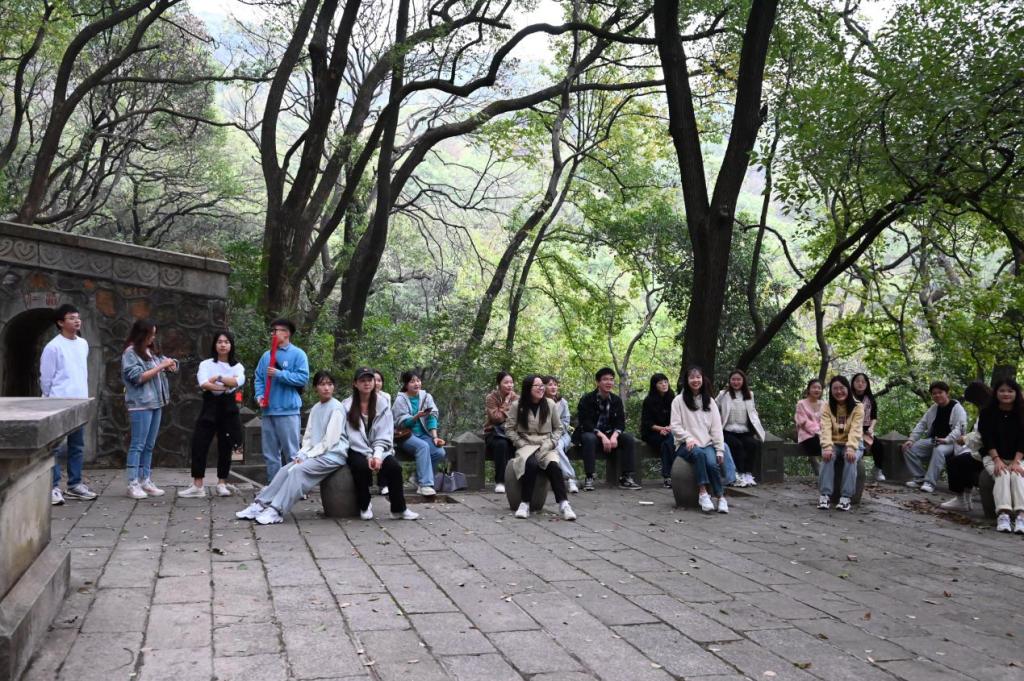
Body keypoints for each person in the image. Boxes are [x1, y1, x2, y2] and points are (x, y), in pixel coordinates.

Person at [236, 369, 419, 525]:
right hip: (333, 451)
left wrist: (377, 454)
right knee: (286, 469)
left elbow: (331, 441)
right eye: (322, 384)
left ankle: (276, 509)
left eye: (329, 384)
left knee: (299, 471)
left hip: (336, 453)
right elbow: (310, 436)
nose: (326, 388)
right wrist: (302, 453)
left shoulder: (346, 407)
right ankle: (261, 503)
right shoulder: (327, 407)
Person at [40, 304, 97, 505]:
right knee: (54, 447)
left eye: (78, 317)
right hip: (58, 402)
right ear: (60, 322)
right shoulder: (53, 347)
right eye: (71, 318)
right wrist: (50, 399)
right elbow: (46, 378)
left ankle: (75, 484)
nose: (76, 321)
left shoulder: (83, 344)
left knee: (77, 445)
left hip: (79, 401)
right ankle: (53, 486)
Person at [180, 331, 246, 498]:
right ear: (215, 345)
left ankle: (222, 483)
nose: (223, 345)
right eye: (219, 342)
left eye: (226, 342)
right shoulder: (206, 364)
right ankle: (198, 485)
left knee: (226, 445)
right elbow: (204, 384)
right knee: (199, 443)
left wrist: (218, 378)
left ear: (231, 345)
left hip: (228, 408)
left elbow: (238, 381)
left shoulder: (237, 366)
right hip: (210, 406)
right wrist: (225, 385)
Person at [505, 375, 576, 521]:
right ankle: (525, 503)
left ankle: (564, 504)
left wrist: (552, 442)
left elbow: (558, 428)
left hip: (546, 444)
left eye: (542, 385)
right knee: (530, 464)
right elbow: (509, 429)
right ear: (528, 388)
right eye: (537, 386)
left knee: (554, 466)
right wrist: (519, 442)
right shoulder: (517, 405)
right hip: (526, 444)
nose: (541, 388)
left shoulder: (550, 404)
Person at [121, 319, 178, 499]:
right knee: (137, 445)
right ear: (141, 334)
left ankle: (145, 479)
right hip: (140, 404)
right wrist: (161, 366)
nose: (153, 337)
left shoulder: (150, 351)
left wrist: (171, 364)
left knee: (149, 445)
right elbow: (137, 377)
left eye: (154, 334)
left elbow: (165, 362)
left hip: (156, 402)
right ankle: (133, 483)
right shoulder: (130, 353)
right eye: (150, 334)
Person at [254, 318, 310, 482]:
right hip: (268, 410)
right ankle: (273, 487)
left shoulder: (298, 354)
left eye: (276, 330)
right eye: (272, 331)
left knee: (292, 453)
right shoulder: (266, 356)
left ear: (286, 333)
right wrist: (259, 395)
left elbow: (303, 378)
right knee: (270, 454)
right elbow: (259, 378)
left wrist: (280, 374)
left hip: (288, 410)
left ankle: (295, 487)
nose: (273, 334)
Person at [671, 366, 729, 513]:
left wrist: (719, 450)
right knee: (698, 454)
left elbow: (716, 428)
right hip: (685, 444)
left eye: (698, 377)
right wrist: (687, 438)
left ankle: (720, 497)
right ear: (686, 380)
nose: (695, 380)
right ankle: (703, 493)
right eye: (692, 377)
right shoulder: (678, 401)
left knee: (712, 464)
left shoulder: (710, 401)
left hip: (706, 443)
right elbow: (675, 426)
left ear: (703, 379)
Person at [574, 367, 641, 491]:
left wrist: (615, 436)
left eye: (611, 379)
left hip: (610, 434)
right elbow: (585, 423)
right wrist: (602, 436)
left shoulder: (616, 400)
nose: (609, 382)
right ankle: (589, 477)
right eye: (605, 379)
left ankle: (626, 477)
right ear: (598, 382)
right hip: (592, 433)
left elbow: (620, 422)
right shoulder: (587, 399)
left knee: (628, 439)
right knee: (589, 438)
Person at [901, 381, 967, 493]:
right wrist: (911, 439)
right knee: (908, 448)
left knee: (939, 450)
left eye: (940, 392)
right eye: (934, 393)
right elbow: (922, 424)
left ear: (947, 393)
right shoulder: (934, 408)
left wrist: (946, 440)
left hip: (951, 442)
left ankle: (930, 482)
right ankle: (919, 478)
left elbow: (959, 429)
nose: (937, 395)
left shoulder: (957, 408)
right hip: (934, 440)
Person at [978, 378, 1024, 534]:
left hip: (1018, 457)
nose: (1006, 394)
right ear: (996, 393)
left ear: (1016, 393)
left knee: (1017, 475)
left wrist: (1016, 462)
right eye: (1002, 390)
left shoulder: (1022, 411)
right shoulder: (987, 412)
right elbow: (987, 439)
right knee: (1002, 474)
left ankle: (1021, 516)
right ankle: (1003, 515)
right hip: (993, 456)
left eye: (1010, 391)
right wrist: (997, 460)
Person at [393, 370, 446, 496]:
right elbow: (400, 423)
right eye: (412, 381)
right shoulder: (400, 400)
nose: (416, 384)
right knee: (423, 446)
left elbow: (432, 417)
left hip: (424, 435)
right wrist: (416, 417)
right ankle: (425, 485)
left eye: (418, 380)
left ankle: (417, 478)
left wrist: (435, 437)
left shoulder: (427, 397)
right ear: (406, 384)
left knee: (439, 452)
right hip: (406, 436)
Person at [940, 382, 991, 511]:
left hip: (990, 453)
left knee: (954, 463)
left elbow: (982, 436)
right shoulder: (991, 407)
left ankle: (960, 499)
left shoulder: (988, 411)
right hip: (988, 450)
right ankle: (966, 499)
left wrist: (965, 439)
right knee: (964, 460)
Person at [817, 375, 865, 511]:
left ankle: (846, 497)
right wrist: (827, 447)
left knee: (850, 458)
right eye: (835, 389)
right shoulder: (826, 406)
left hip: (853, 443)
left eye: (842, 388)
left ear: (848, 388)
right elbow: (825, 428)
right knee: (828, 457)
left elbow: (856, 429)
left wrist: (851, 448)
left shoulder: (858, 406)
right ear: (831, 391)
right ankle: (825, 495)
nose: (839, 391)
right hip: (833, 442)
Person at [715, 369, 765, 488]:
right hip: (728, 430)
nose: (736, 382)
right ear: (729, 381)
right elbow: (713, 407)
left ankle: (748, 474)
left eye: (738, 379)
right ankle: (738, 473)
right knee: (737, 445)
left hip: (744, 430)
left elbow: (752, 411)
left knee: (752, 444)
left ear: (743, 381)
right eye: (733, 379)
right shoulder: (723, 394)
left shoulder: (749, 394)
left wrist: (757, 425)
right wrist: (717, 420)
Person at [484, 372, 517, 494]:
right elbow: (496, 418)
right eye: (506, 382)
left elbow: (518, 417)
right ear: (499, 384)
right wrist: (506, 403)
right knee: (501, 444)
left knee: (518, 444)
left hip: (511, 431)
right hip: (494, 432)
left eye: (511, 382)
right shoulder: (491, 398)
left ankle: (516, 481)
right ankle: (500, 481)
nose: (509, 385)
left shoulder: (517, 398)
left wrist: (503, 412)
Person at [641, 373, 676, 489]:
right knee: (669, 440)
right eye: (660, 383)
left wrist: (669, 428)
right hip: (652, 432)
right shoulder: (649, 401)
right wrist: (661, 429)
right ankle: (670, 476)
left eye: (665, 382)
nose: (664, 384)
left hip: (669, 432)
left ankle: (668, 476)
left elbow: (676, 417)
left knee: (667, 442)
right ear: (654, 385)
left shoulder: (672, 398)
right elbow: (647, 423)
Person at [545, 376, 579, 494]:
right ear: (543, 387)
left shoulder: (562, 402)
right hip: (544, 436)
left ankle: (570, 478)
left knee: (556, 446)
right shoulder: (540, 402)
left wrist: (554, 430)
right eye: (550, 384)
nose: (553, 387)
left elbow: (566, 422)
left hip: (562, 435)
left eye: (555, 385)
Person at [851, 373, 885, 481]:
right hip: (850, 430)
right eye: (857, 381)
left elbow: (874, 417)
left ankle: (877, 470)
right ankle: (853, 472)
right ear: (853, 383)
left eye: (863, 382)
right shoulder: (848, 397)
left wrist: (871, 428)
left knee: (878, 445)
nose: (860, 383)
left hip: (866, 430)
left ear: (867, 384)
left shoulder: (870, 399)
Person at [795, 379, 825, 469]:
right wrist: (817, 432)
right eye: (814, 387)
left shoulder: (824, 404)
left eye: (819, 388)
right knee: (821, 446)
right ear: (808, 389)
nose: (817, 390)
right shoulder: (801, 403)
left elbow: (826, 420)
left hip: (822, 435)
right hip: (807, 436)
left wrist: (822, 432)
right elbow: (803, 422)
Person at [373, 369, 391, 495]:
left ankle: (383, 484)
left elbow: (387, 417)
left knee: (385, 451)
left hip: (383, 431)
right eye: (374, 380)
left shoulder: (386, 397)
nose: (376, 383)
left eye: (379, 380)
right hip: (368, 433)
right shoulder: (362, 397)